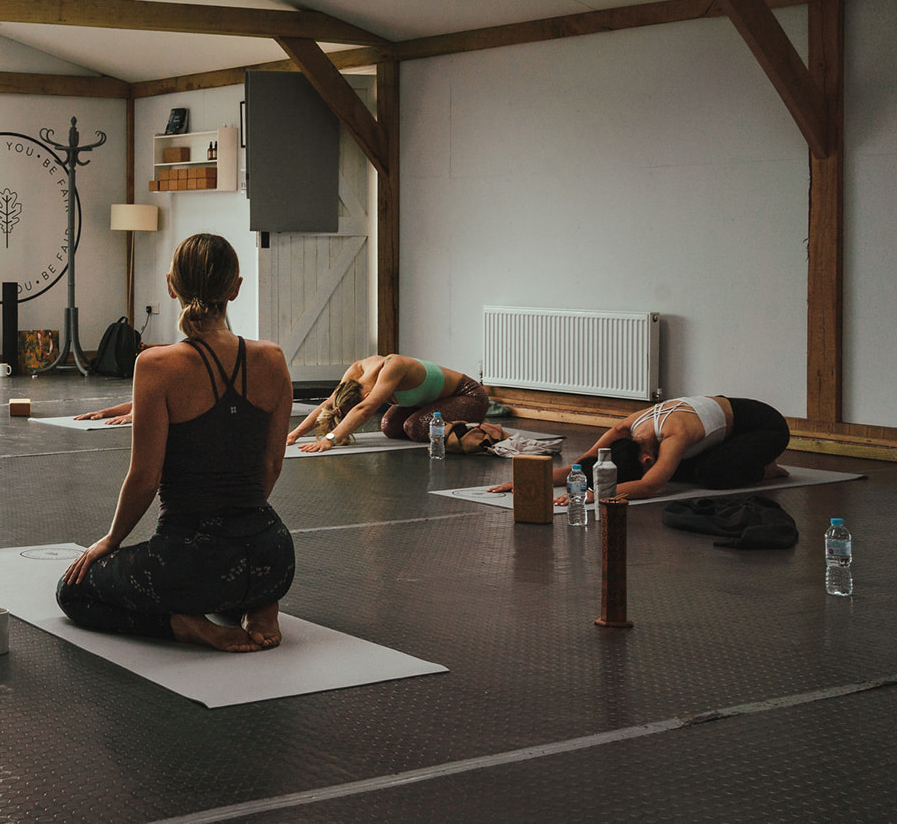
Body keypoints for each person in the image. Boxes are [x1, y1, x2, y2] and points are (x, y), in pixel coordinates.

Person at [57, 233, 295, 652]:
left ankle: (189, 626)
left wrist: (110, 541)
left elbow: (145, 478)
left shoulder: (156, 365)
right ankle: (261, 603)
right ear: (236, 288)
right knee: (230, 576)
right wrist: (239, 519)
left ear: (170, 285)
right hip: (272, 556)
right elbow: (272, 465)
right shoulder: (272, 358)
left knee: (72, 592)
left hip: (192, 562)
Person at [487, 395, 791, 501]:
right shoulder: (625, 429)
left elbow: (648, 486)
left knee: (709, 475)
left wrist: (597, 494)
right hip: (723, 430)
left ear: (644, 457)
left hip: (763, 426)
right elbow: (582, 464)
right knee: (678, 469)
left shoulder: (674, 436)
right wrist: (528, 480)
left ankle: (767, 469)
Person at [286, 354, 488, 452]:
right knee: (389, 426)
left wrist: (329, 439)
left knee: (415, 427)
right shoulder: (355, 372)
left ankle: (467, 424)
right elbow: (329, 403)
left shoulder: (393, 366)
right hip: (428, 402)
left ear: (364, 397)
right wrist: (295, 434)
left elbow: (365, 411)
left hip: (469, 396)